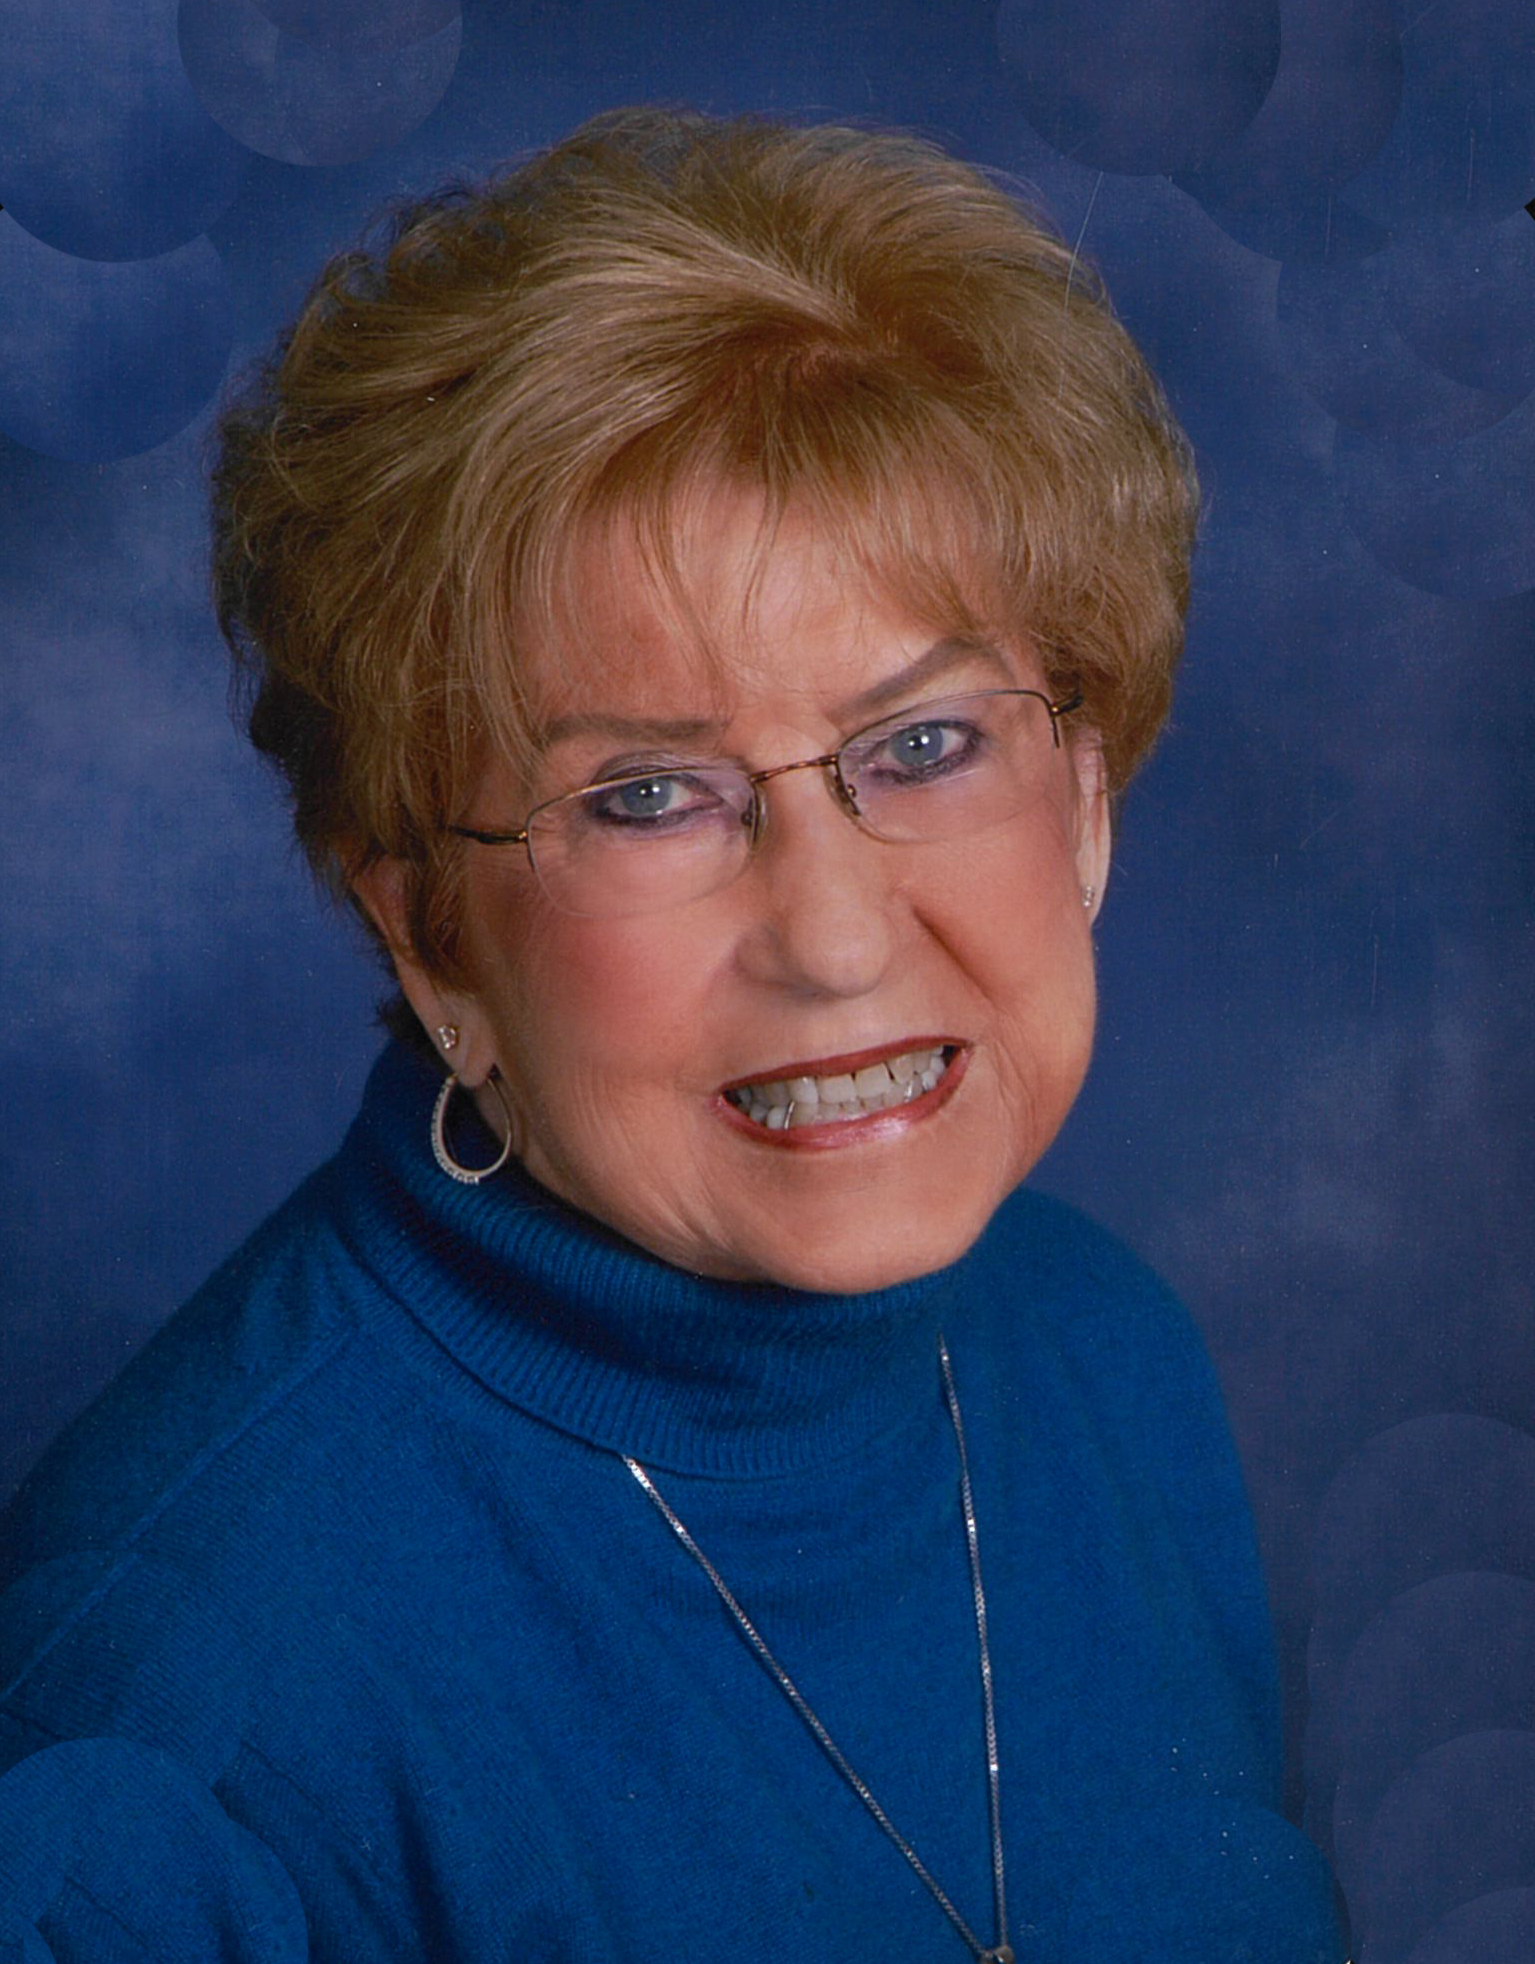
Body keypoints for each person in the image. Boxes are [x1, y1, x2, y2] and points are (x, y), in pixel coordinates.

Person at [0, 109, 1344, 1961]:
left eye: (927, 744)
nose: (838, 937)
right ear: (430, 931)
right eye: (647, 798)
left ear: (1087, 795)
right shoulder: (171, 1736)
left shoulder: (1107, 1357)